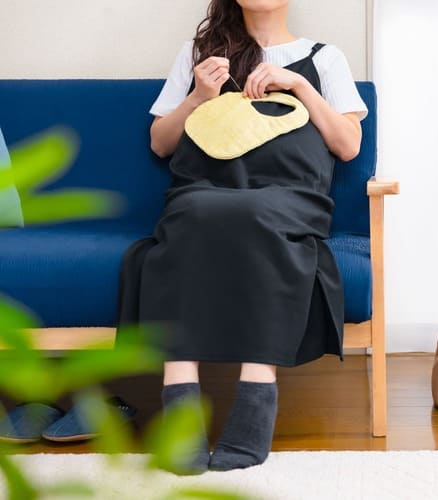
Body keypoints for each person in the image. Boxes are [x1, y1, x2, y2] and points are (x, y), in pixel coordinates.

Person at [115, 0, 368, 474]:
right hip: (204, 190)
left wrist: (299, 86)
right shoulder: (198, 53)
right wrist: (198, 96)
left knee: (258, 213)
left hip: (290, 196)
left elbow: (348, 145)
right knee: (192, 213)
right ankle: (180, 400)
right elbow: (160, 143)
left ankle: (256, 393)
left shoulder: (325, 58)